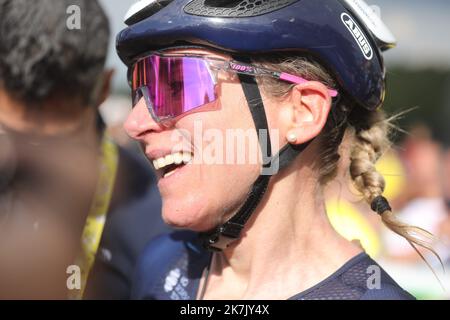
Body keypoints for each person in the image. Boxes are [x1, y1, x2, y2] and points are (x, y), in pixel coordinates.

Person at [116, 0, 434, 300]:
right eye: (138, 87)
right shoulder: (160, 263)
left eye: (177, 85)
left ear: (302, 112)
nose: (135, 122)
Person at [0, 0, 167, 299]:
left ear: (103, 89)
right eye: (13, 135)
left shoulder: (160, 219)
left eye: (57, 142)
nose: (35, 162)